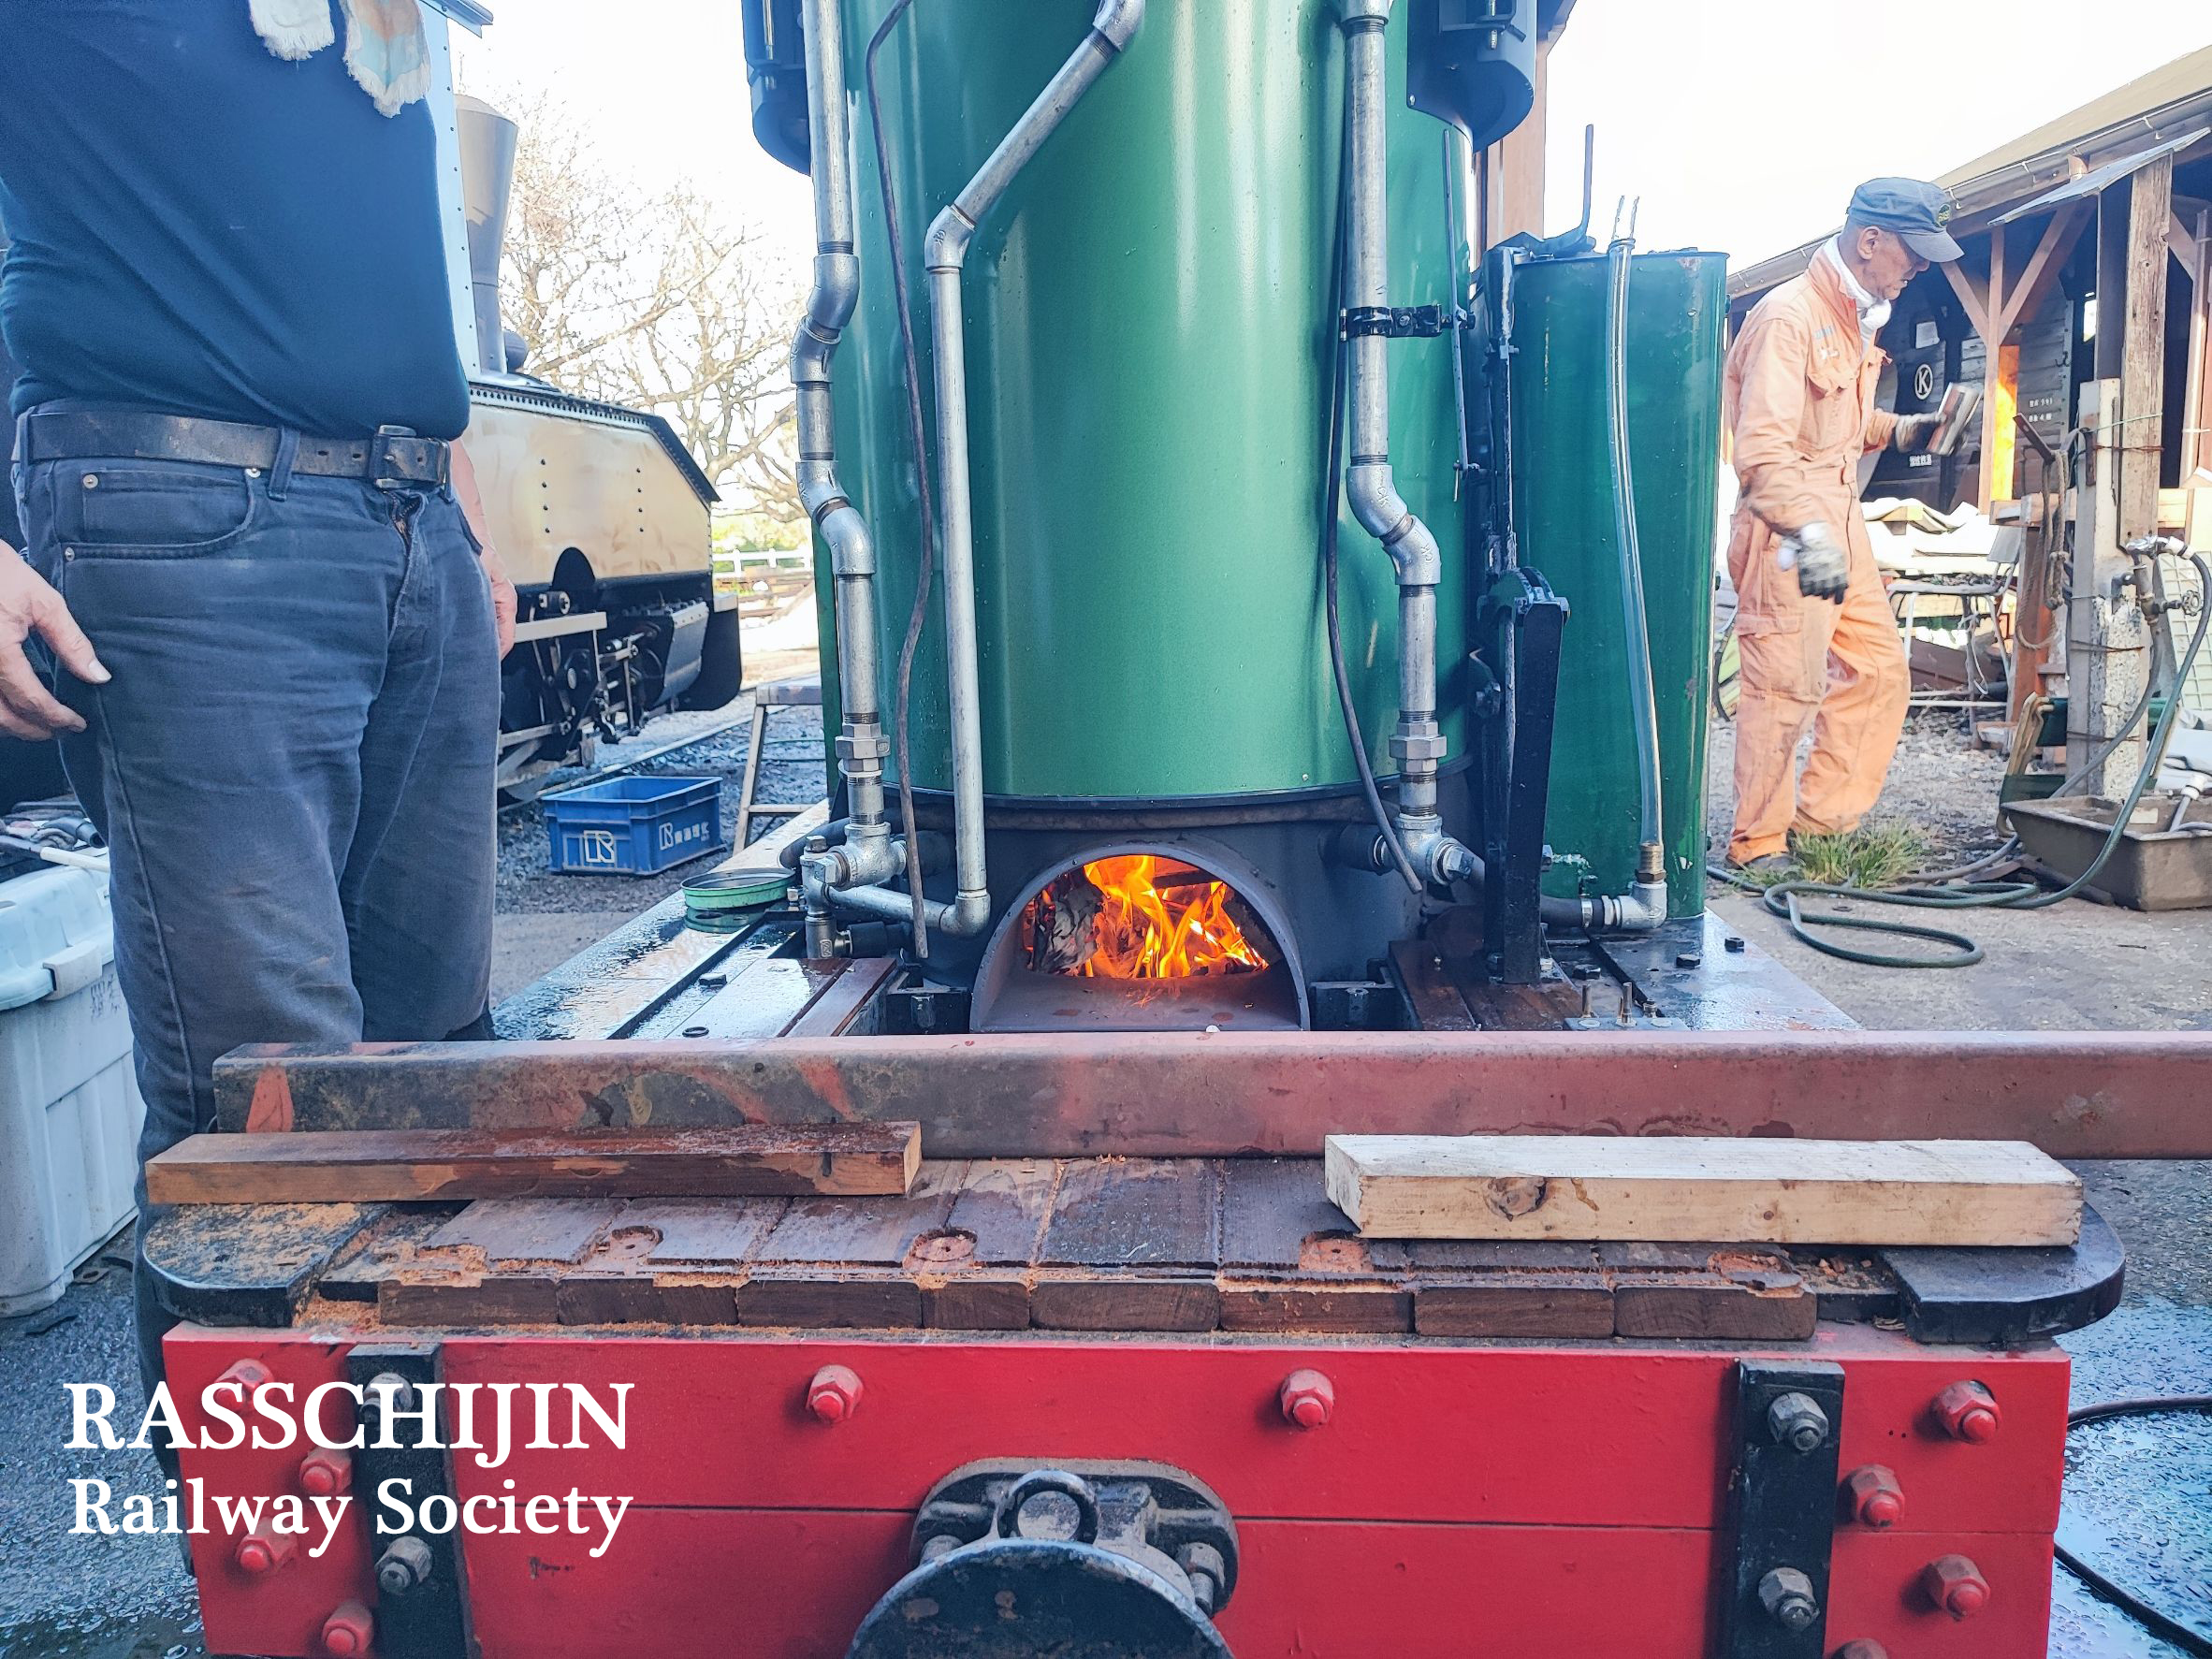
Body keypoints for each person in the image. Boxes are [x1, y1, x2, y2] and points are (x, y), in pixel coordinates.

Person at [0, 0, 517, 1404]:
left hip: (409, 516)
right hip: (180, 516)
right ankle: (276, 1553)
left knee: (437, 1063)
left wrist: (449, 475)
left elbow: (378, 221)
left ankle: (432, 1500)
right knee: (270, 1103)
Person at [1721, 178, 1964, 872]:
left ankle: (1822, 826)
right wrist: (1810, 536)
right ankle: (1758, 843)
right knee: (1785, 682)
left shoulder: (1854, 316)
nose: (1918, 266)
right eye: (1911, 253)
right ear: (1870, 241)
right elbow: (1763, 455)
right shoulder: (1788, 318)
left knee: (1880, 670)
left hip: (1837, 517)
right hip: (1792, 529)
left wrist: (1912, 431)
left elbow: (1842, 429)